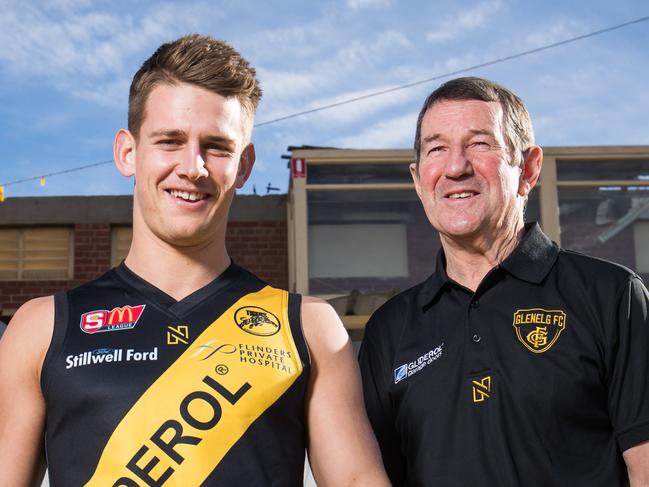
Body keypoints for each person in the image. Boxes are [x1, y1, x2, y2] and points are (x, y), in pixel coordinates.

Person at [0, 34, 389, 487]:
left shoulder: (309, 327)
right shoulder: (40, 328)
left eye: (217, 147)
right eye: (170, 140)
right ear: (128, 152)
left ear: (244, 166)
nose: (193, 167)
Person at [359, 76, 649, 486]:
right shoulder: (388, 331)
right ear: (418, 179)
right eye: (437, 149)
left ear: (528, 168)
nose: (455, 167)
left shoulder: (611, 296)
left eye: (480, 143)